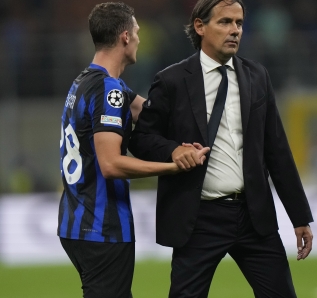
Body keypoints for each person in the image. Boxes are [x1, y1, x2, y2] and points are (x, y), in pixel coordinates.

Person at [128, 0, 314, 296]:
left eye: (239, 23)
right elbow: (141, 139)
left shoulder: (257, 76)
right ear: (200, 27)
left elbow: (277, 149)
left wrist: (299, 216)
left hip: (253, 215)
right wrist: (173, 150)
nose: (235, 30)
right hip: (199, 218)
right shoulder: (172, 80)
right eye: (225, 22)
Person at [57, 3, 209, 298]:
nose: (140, 37)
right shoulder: (109, 90)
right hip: (101, 227)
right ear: (125, 36)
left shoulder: (85, 83)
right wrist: (173, 166)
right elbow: (111, 164)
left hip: (76, 222)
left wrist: (180, 143)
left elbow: (149, 112)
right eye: (137, 31)